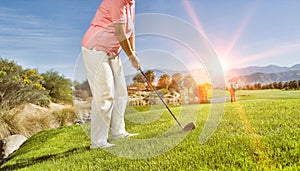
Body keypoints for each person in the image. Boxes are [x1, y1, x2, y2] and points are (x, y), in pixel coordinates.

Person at [81, 0, 140, 149]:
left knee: (121, 93)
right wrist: (132, 57)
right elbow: (120, 32)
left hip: (113, 51)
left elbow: (130, 31)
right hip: (96, 48)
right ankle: (98, 142)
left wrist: (133, 53)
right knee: (104, 95)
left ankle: (119, 132)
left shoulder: (131, 3)